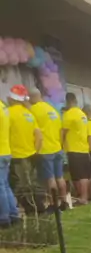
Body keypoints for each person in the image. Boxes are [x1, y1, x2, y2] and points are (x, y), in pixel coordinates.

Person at [8, 85, 45, 215]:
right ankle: (40, 208)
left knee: (21, 185)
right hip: (32, 154)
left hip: (16, 156)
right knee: (33, 183)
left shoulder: (8, 113)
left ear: (12, 98)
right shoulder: (29, 114)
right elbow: (39, 136)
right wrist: (36, 151)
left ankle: (30, 210)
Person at [29, 89, 68, 212]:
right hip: (57, 147)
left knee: (50, 179)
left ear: (31, 97)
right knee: (60, 177)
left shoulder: (33, 110)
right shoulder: (52, 109)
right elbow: (60, 129)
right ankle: (64, 202)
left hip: (45, 149)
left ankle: (53, 204)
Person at [61, 92, 91, 205]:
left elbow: (63, 132)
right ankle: (88, 196)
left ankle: (83, 198)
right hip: (84, 148)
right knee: (86, 175)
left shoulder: (69, 114)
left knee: (79, 176)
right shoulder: (82, 114)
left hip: (74, 149)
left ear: (68, 101)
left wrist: (60, 144)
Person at [0, 97, 20, 228]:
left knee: (1, 186)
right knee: (5, 185)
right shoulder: (3, 106)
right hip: (6, 151)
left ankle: (4, 218)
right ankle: (13, 214)